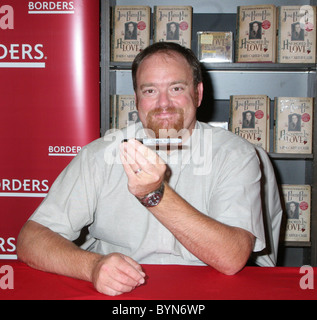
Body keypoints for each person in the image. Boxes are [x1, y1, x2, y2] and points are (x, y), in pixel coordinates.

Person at [17, 42, 265, 296]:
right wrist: (92, 266)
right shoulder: (99, 155)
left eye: (176, 88)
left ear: (198, 93)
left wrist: (154, 194)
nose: (164, 103)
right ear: (136, 99)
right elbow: (31, 239)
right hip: (118, 292)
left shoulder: (235, 154)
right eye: (149, 91)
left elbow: (232, 257)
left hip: (207, 291)